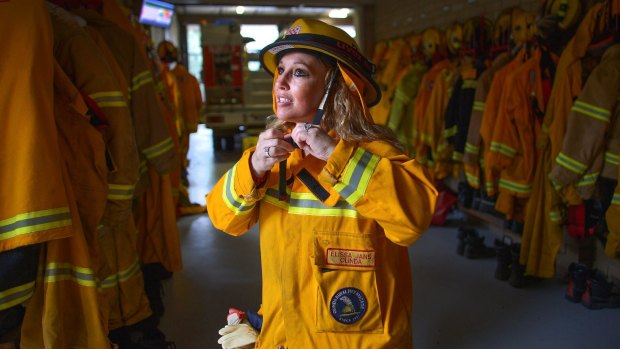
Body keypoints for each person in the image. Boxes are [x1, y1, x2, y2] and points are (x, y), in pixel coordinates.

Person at [207, 18, 438, 349]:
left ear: (338, 87)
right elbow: (224, 219)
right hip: (284, 337)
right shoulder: (271, 159)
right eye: (280, 70)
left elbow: (412, 222)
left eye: (299, 72)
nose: (281, 82)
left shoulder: (377, 155)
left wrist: (335, 155)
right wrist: (255, 166)